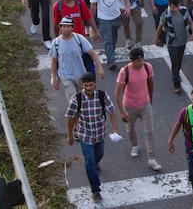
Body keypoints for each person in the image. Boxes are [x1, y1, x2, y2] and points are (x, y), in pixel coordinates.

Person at [65, 72, 121, 202]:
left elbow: (112, 112)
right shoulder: (76, 99)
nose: (88, 88)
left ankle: (96, 164)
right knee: (89, 163)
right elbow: (70, 118)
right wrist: (70, 135)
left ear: (95, 84)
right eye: (86, 86)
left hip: (100, 133)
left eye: (91, 85)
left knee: (99, 153)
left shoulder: (102, 96)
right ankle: (96, 190)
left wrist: (115, 128)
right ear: (82, 85)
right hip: (85, 135)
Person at [114, 47, 162, 171]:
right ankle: (135, 145)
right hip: (129, 106)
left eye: (142, 59)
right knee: (130, 129)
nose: (141, 63)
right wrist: (121, 111)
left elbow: (151, 83)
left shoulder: (147, 67)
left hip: (145, 104)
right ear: (132, 60)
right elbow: (118, 92)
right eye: (138, 61)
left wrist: (150, 99)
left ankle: (151, 158)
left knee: (149, 131)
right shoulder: (125, 71)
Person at [50, 17, 104, 101]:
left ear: (72, 27)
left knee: (83, 98)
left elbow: (92, 53)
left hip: (81, 75)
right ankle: (76, 113)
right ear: (60, 27)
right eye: (63, 26)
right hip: (65, 76)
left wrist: (100, 68)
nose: (66, 29)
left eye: (68, 26)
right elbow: (54, 61)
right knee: (73, 100)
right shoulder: (56, 43)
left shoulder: (79, 39)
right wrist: (54, 77)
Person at [90, 0, 131, 71]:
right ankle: (111, 61)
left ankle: (110, 52)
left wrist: (127, 8)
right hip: (103, 19)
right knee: (108, 39)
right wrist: (92, 19)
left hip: (116, 17)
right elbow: (93, 5)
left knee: (114, 37)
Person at [154, 0, 192, 93]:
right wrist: (156, 38)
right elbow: (160, 26)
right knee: (174, 61)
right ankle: (176, 82)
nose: (175, 9)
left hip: (182, 40)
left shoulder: (183, 11)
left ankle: (177, 74)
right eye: (172, 7)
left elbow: (190, 21)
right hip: (172, 42)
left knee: (179, 61)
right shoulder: (166, 14)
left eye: (176, 7)